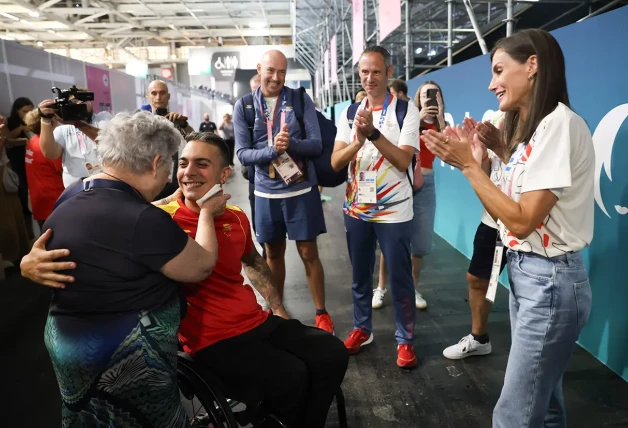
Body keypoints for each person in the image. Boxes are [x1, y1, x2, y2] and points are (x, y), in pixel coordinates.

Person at [22, 132, 349, 428]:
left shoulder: (235, 217)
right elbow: (98, 235)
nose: (188, 171)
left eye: (201, 164)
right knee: (292, 376)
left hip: (255, 322)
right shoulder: (157, 220)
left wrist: (277, 307)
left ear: (224, 175)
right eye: (183, 163)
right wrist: (29, 262)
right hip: (210, 341)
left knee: (331, 353)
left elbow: (254, 261)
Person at [422, 29, 594, 427]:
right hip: (529, 274)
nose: (491, 83)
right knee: (545, 404)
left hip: (549, 280)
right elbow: (504, 215)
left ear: (532, 65)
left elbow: (521, 219)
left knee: (514, 415)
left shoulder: (559, 126)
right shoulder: (530, 133)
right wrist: (488, 160)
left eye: (499, 70)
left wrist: (468, 165)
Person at [21, 111, 222, 426]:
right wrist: (208, 213)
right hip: (126, 358)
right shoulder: (143, 220)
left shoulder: (71, 196)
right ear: (156, 162)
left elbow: (110, 232)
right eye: (172, 162)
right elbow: (200, 267)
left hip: (69, 348)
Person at [331, 46, 420, 369]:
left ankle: (405, 340)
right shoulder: (350, 111)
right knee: (359, 275)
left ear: (389, 71)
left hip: (394, 209)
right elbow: (335, 161)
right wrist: (357, 139)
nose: (370, 78)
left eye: (377, 72)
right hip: (356, 207)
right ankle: (362, 329)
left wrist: (373, 133)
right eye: (364, 72)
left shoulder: (405, 111)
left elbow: (402, 159)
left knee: (399, 278)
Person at [234, 50, 334, 333]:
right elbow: (242, 154)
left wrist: (291, 145)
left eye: (281, 72)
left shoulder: (300, 99)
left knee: (308, 252)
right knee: (272, 254)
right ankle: (277, 313)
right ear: (259, 69)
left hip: (300, 190)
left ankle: (322, 313)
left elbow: (315, 145)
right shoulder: (245, 106)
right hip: (266, 194)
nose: (276, 77)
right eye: (270, 71)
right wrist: (271, 151)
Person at [374, 81, 446, 310]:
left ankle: (412, 288)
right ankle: (381, 287)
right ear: (418, 97)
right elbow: (401, 148)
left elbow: (446, 151)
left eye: (434, 94)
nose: (430, 99)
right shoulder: (409, 116)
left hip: (427, 182)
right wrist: (419, 117)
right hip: (402, 180)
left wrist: (440, 118)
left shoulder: (439, 123)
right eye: (425, 94)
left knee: (420, 242)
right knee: (392, 237)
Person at [442, 110, 507, 360]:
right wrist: (475, 153)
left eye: (500, 71)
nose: (495, 84)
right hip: (493, 218)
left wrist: (499, 147)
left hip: (528, 221)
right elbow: (490, 169)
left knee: (525, 293)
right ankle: (479, 338)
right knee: (478, 279)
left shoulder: (546, 121)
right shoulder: (497, 117)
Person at [37, 91, 111, 188]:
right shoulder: (62, 128)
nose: (80, 103)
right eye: (75, 100)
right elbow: (50, 154)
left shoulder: (103, 118)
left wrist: (77, 123)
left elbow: (108, 141)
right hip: (75, 191)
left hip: (105, 186)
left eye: (85, 99)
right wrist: (45, 120)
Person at [142, 79, 193, 201]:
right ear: (148, 96)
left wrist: (183, 125)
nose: (158, 97)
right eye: (154, 93)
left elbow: (195, 140)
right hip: (148, 180)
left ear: (168, 96)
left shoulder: (177, 120)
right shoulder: (140, 122)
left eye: (162, 93)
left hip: (173, 181)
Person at [23, 110, 64, 229]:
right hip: (54, 203)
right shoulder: (47, 146)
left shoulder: (33, 141)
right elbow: (63, 172)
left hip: (40, 202)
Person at [0, 115, 30, 276]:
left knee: (15, 214)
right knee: (6, 219)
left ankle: (17, 252)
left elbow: (8, 142)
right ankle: (9, 255)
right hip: (2, 176)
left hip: (6, 174)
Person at [6, 97, 34, 237]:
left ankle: (31, 235)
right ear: (17, 111)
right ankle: (27, 235)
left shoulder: (33, 122)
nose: (27, 114)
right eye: (24, 111)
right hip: (17, 166)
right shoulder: (10, 122)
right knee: (22, 201)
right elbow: (7, 140)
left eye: (30, 111)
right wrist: (21, 128)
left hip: (31, 165)